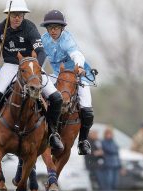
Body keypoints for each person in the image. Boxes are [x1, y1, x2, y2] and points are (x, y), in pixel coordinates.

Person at [0, 0, 64, 153]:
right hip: (10, 66)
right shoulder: (0, 29)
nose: (17, 18)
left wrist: (35, 69)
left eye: (20, 15)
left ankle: (53, 133)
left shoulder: (30, 28)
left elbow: (41, 52)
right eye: (14, 15)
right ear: (8, 15)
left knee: (56, 98)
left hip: (30, 66)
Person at [40, 10, 94, 155]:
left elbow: (76, 54)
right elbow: (40, 59)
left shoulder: (67, 39)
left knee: (86, 107)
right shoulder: (43, 39)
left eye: (56, 27)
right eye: (50, 27)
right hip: (58, 76)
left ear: (62, 28)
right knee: (37, 92)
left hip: (77, 76)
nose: (53, 31)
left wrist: (80, 67)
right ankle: (46, 132)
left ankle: (83, 141)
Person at [101, 127, 121, 191]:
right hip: (108, 164)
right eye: (108, 134)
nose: (109, 135)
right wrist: (115, 150)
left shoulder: (114, 142)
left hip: (116, 164)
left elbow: (117, 153)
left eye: (110, 134)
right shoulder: (103, 142)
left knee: (115, 182)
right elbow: (110, 150)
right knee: (109, 181)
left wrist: (120, 165)